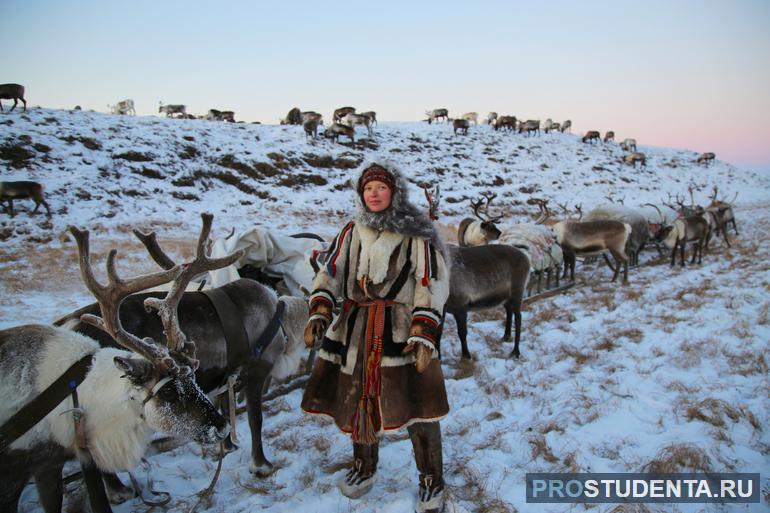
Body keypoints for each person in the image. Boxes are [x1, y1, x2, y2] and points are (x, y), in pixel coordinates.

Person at [301, 160, 450, 513]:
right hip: (355, 329)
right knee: (355, 403)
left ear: (394, 192)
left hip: (402, 331)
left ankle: (431, 480)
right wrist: (321, 309)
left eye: (381, 187)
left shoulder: (418, 233)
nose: (374, 194)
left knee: (418, 408)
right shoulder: (352, 230)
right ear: (361, 195)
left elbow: (431, 279)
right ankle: (364, 467)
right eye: (368, 189)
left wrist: (424, 330)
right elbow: (331, 269)